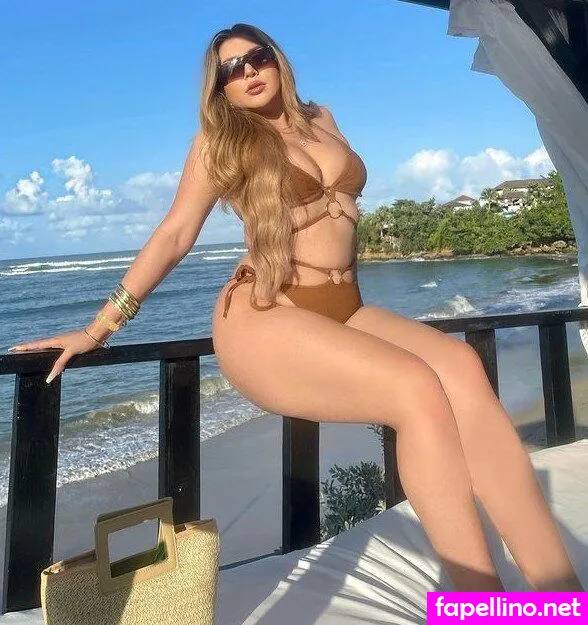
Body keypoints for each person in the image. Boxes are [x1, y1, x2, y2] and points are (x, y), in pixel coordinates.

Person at [8, 23, 583, 594]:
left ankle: (559, 589)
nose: (247, 72)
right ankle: (476, 599)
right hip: (267, 312)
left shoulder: (322, 118)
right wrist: (100, 327)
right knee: (416, 389)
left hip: (345, 304)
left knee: (462, 367)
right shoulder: (221, 142)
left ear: (276, 59)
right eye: (230, 70)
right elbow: (176, 233)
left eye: (256, 57)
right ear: (220, 89)